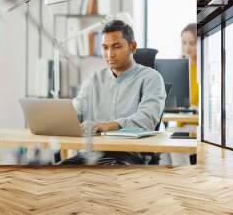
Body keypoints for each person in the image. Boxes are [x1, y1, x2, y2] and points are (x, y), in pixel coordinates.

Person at [59, 20, 166, 165]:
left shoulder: (151, 78)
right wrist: (62, 118)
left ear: (133, 47)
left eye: (116, 47)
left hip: (127, 156)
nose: (110, 54)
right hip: (90, 154)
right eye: (105, 47)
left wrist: (109, 125)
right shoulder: (95, 79)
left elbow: (146, 119)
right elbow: (77, 108)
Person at [181, 23, 198, 108]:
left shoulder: (206, 69)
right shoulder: (181, 70)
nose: (187, 48)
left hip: (199, 119)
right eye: (184, 43)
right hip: (182, 118)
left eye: (192, 43)